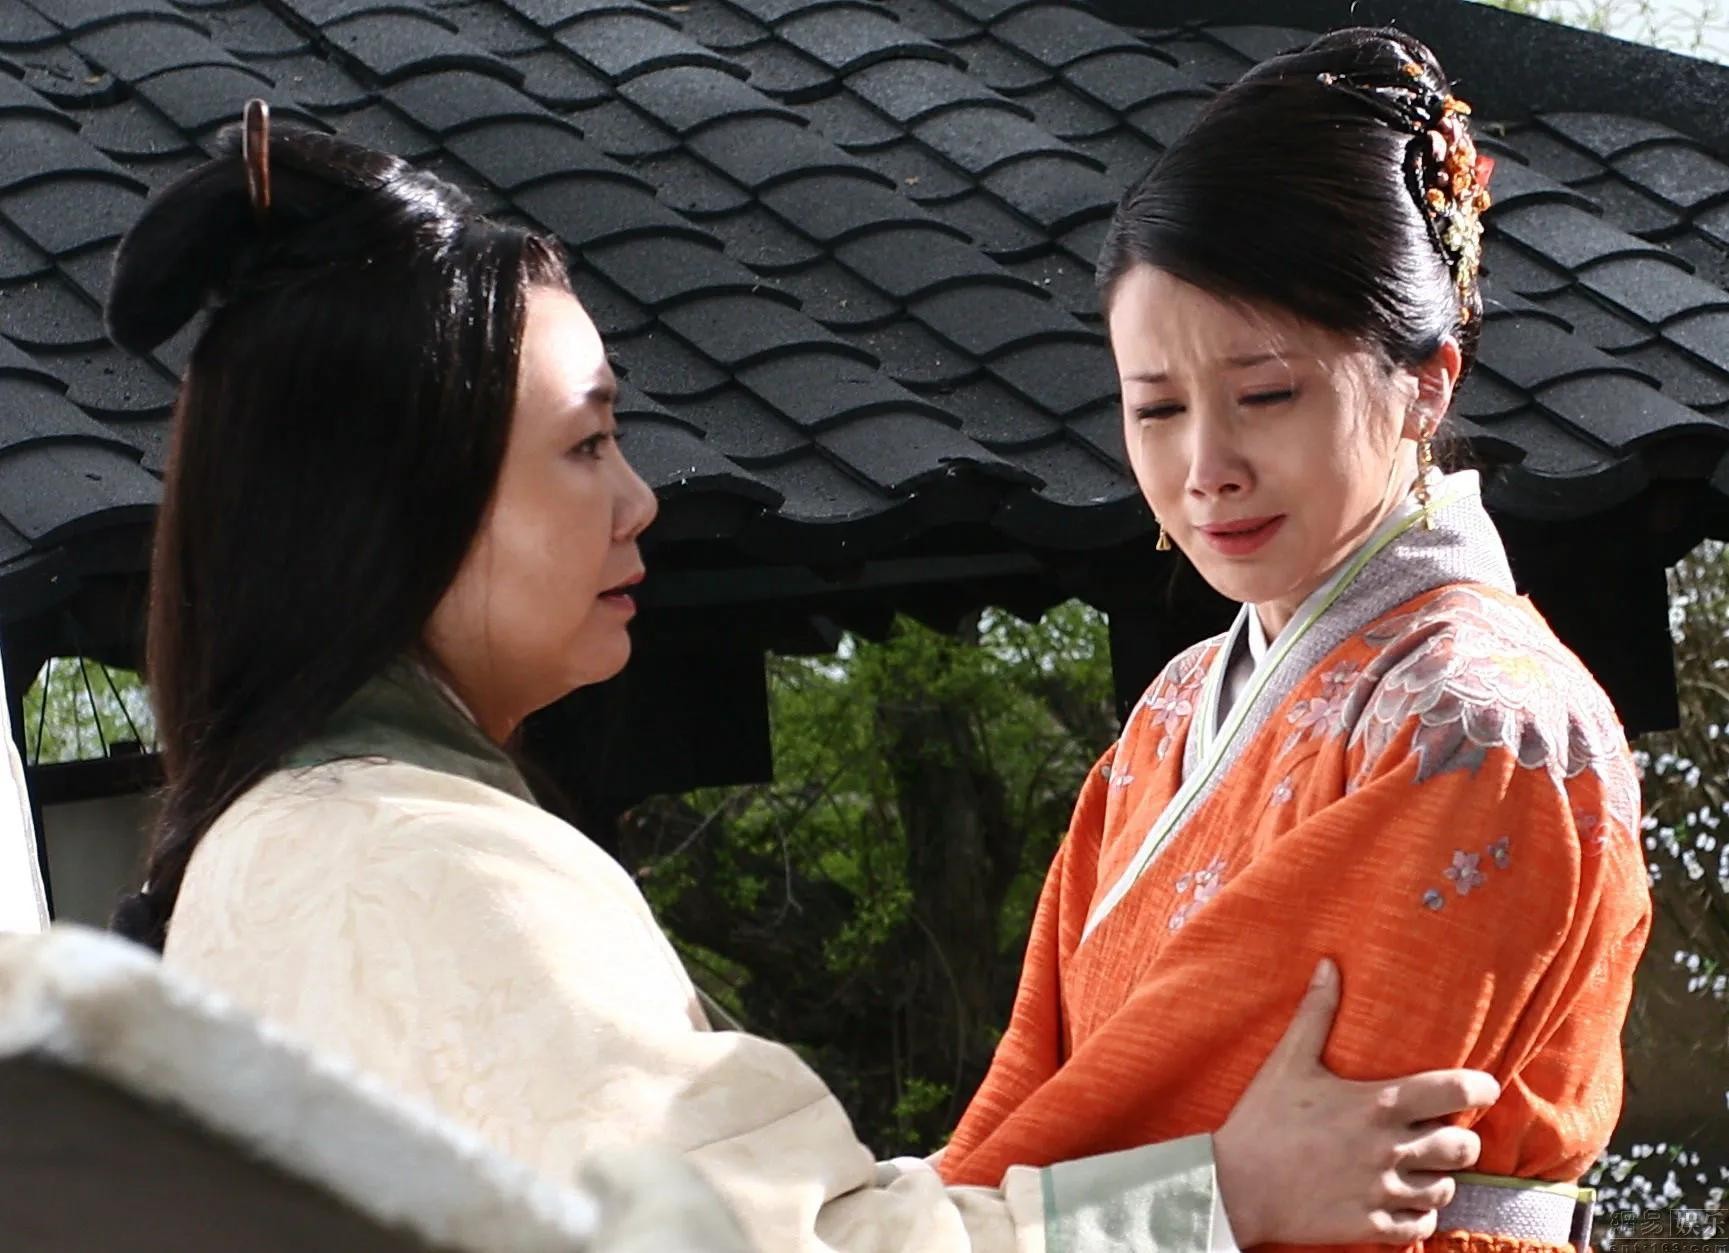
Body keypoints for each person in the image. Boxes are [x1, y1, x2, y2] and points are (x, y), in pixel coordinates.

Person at [105, 106, 1500, 1252]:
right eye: (586, 445)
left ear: (1424, 383)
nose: (639, 500)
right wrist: (1213, 1197)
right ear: (403, 505)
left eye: (1265, 392)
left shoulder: (292, 847)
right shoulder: (421, 862)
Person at [936, 26, 1652, 1253]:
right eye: (1155, 408)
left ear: (1425, 381)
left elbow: (1328, 1159)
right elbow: (1035, 1101)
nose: (1204, 466)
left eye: (1265, 394)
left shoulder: (1483, 721)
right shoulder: (1172, 708)